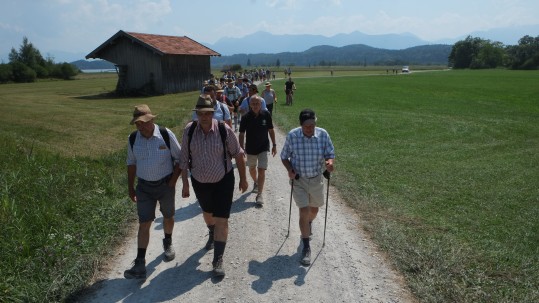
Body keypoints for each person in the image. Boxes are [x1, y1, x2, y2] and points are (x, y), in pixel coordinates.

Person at [180, 95, 248, 277]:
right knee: (208, 214)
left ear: (212, 113)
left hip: (223, 180)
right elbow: (183, 158)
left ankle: (218, 259)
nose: (204, 117)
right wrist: (185, 183)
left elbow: (238, 154)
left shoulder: (223, 129)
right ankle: (211, 231)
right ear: (197, 114)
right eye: (200, 113)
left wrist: (243, 178)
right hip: (200, 182)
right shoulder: (189, 130)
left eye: (207, 113)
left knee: (222, 219)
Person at [124, 104, 182, 279]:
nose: (141, 127)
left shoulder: (165, 134)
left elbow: (180, 158)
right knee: (144, 222)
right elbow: (131, 163)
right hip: (144, 187)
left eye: (144, 122)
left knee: (168, 216)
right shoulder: (133, 138)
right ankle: (140, 263)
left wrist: (173, 181)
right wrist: (130, 187)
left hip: (166, 185)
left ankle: (168, 242)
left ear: (152, 120)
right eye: (138, 124)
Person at [280, 108, 335, 266]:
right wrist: (290, 169)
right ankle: (306, 247)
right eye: (306, 126)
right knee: (303, 211)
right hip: (299, 180)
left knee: (314, 210)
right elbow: (284, 157)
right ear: (300, 125)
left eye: (312, 125)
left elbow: (330, 153)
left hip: (316, 178)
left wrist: (330, 163)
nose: (310, 129)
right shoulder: (293, 135)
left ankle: (309, 223)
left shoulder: (323, 134)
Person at [238, 95, 277, 206]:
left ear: (261, 104)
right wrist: (241, 148)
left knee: (261, 170)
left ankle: (259, 194)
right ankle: (255, 182)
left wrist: (274, 144)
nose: (255, 106)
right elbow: (241, 134)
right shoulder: (245, 117)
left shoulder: (266, 114)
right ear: (250, 105)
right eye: (253, 103)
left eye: (257, 103)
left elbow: (271, 129)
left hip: (263, 147)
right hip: (250, 148)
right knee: (251, 169)